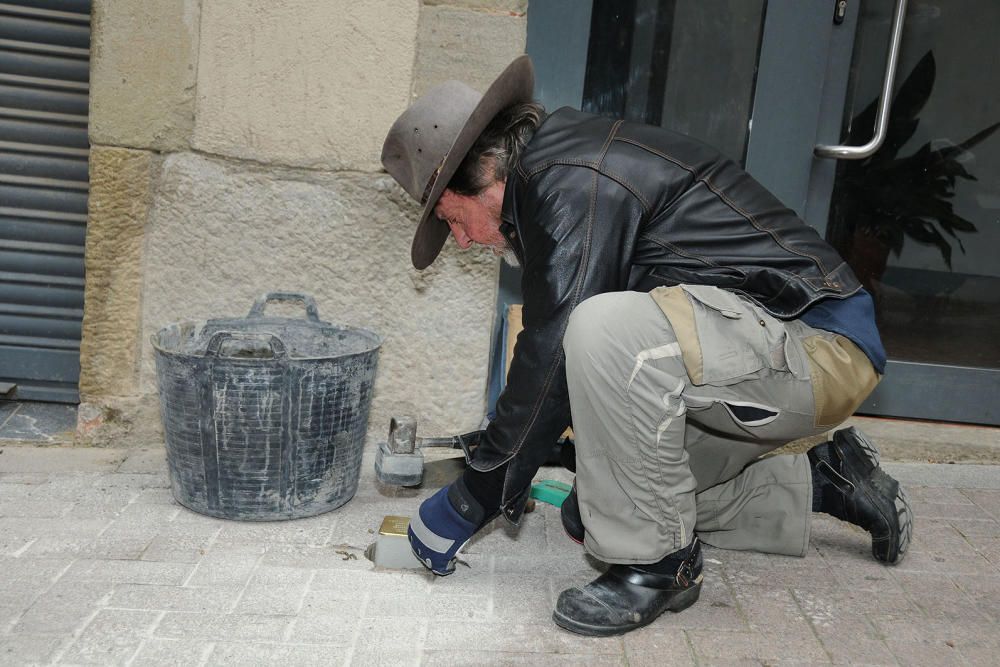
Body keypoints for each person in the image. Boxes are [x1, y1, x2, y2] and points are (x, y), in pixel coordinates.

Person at [380, 56, 912, 637]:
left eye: (456, 222)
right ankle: (827, 477)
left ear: (487, 175)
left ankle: (660, 569)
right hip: (768, 349)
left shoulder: (572, 179)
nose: (462, 242)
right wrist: (509, 452)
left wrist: (474, 495)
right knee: (602, 508)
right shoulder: (561, 171)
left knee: (599, 327)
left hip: (819, 344)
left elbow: (553, 349)